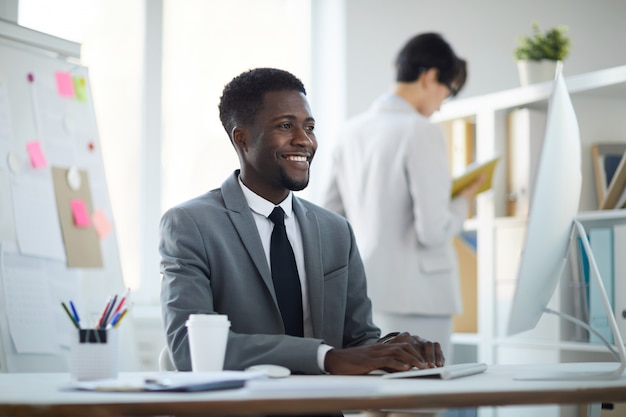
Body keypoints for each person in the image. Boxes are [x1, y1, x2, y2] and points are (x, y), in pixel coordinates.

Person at [160, 67, 445, 385]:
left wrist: (395, 350)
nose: (304, 141)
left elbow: (357, 341)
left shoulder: (336, 231)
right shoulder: (190, 225)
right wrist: (325, 356)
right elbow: (190, 350)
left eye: (309, 127)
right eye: (285, 126)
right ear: (241, 137)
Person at [321, 33, 484, 361]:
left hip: (366, 292)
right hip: (419, 297)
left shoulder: (349, 132)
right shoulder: (421, 130)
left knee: (376, 398)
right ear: (430, 77)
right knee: (421, 401)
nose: (440, 105)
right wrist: (463, 199)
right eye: (447, 93)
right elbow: (433, 231)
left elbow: (331, 219)